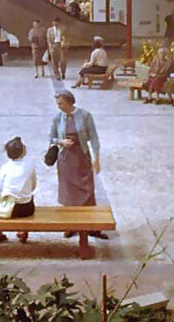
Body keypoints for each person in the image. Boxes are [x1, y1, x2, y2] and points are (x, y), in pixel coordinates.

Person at [49, 91, 106, 239]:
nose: (59, 106)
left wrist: (97, 158)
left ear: (69, 102)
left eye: (61, 103)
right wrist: (61, 142)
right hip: (66, 159)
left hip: (82, 157)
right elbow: (52, 138)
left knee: (87, 190)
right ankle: (70, 225)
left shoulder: (85, 115)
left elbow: (94, 137)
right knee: (68, 194)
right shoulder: (57, 117)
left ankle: (91, 226)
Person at [0, 136, 37, 245]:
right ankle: (23, 231)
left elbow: (1, 186)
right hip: (25, 208)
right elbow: (33, 186)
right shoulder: (30, 166)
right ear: (23, 151)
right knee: (28, 198)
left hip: (7, 207)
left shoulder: (5, 167)